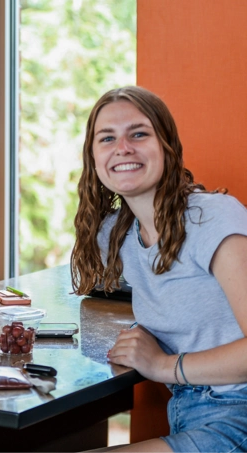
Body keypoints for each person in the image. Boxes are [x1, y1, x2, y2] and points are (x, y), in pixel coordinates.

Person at [71, 86, 247, 452]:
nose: (123, 148)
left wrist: (162, 365)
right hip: (190, 412)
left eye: (139, 133)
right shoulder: (116, 234)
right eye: (107, 138)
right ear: (93, 157)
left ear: (167, 145)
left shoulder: (212, 217)